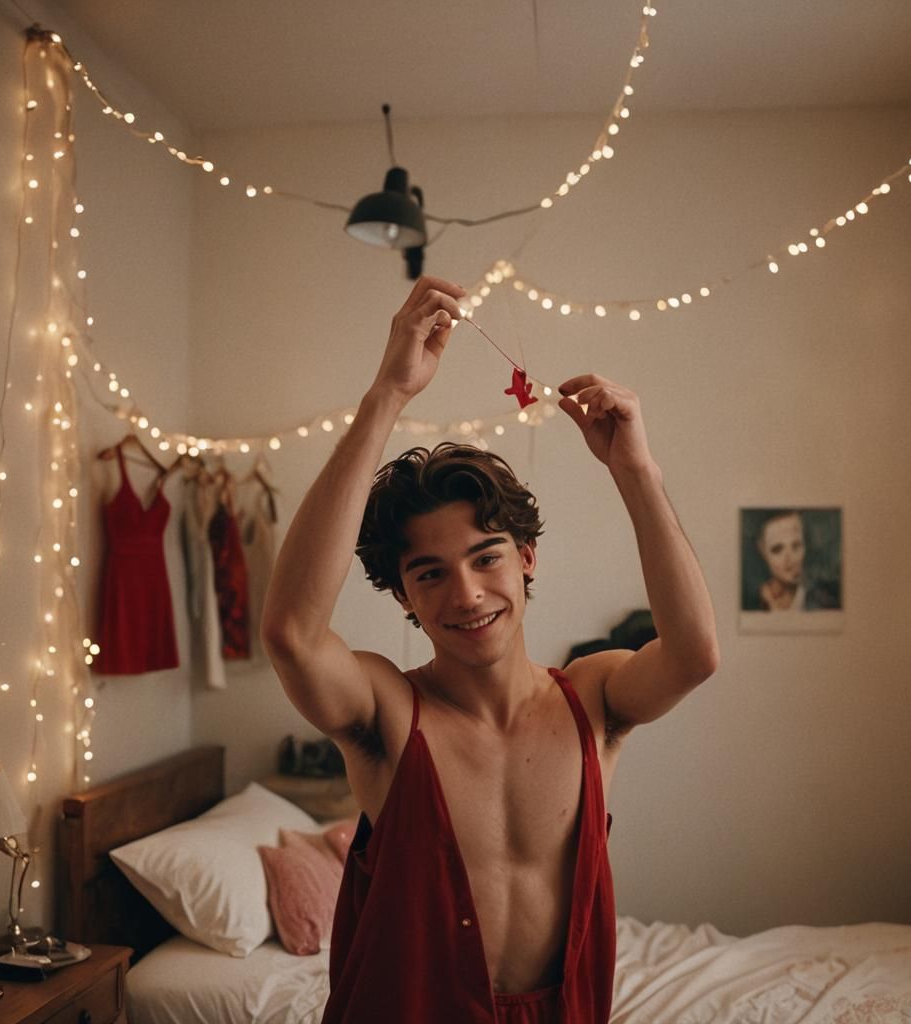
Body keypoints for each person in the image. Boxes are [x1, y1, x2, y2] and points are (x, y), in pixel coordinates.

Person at [261, 276, 720, 1024]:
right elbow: (291, 633)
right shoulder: (387, 711)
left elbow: (694, 654)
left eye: (486, 558)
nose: (467, 595)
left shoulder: (594, 698)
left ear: (526, 557)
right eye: (429, 574)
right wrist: (386, 395)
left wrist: (635, 471)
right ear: (403, 595)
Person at [747, 509, 839, 612]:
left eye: (796, 546)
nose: (790, 559)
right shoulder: (752, 603)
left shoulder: (824, 602)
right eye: (777, 549)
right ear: (763, 551)